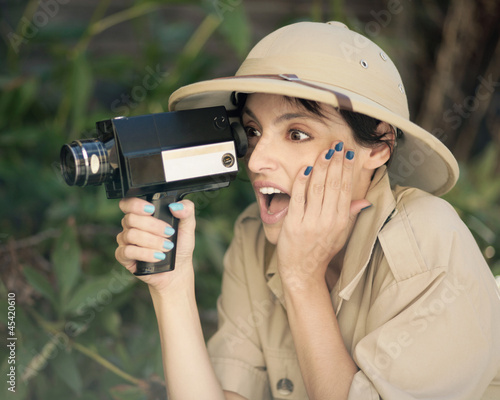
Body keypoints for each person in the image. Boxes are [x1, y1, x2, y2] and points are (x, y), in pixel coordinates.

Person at [115, 21, 500, 399]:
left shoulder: (427, 247)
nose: (257, 160)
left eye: (297, 133)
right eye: (253, 131)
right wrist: (173, 288)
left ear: (378, 146)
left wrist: (302, 278)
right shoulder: (253, 237)